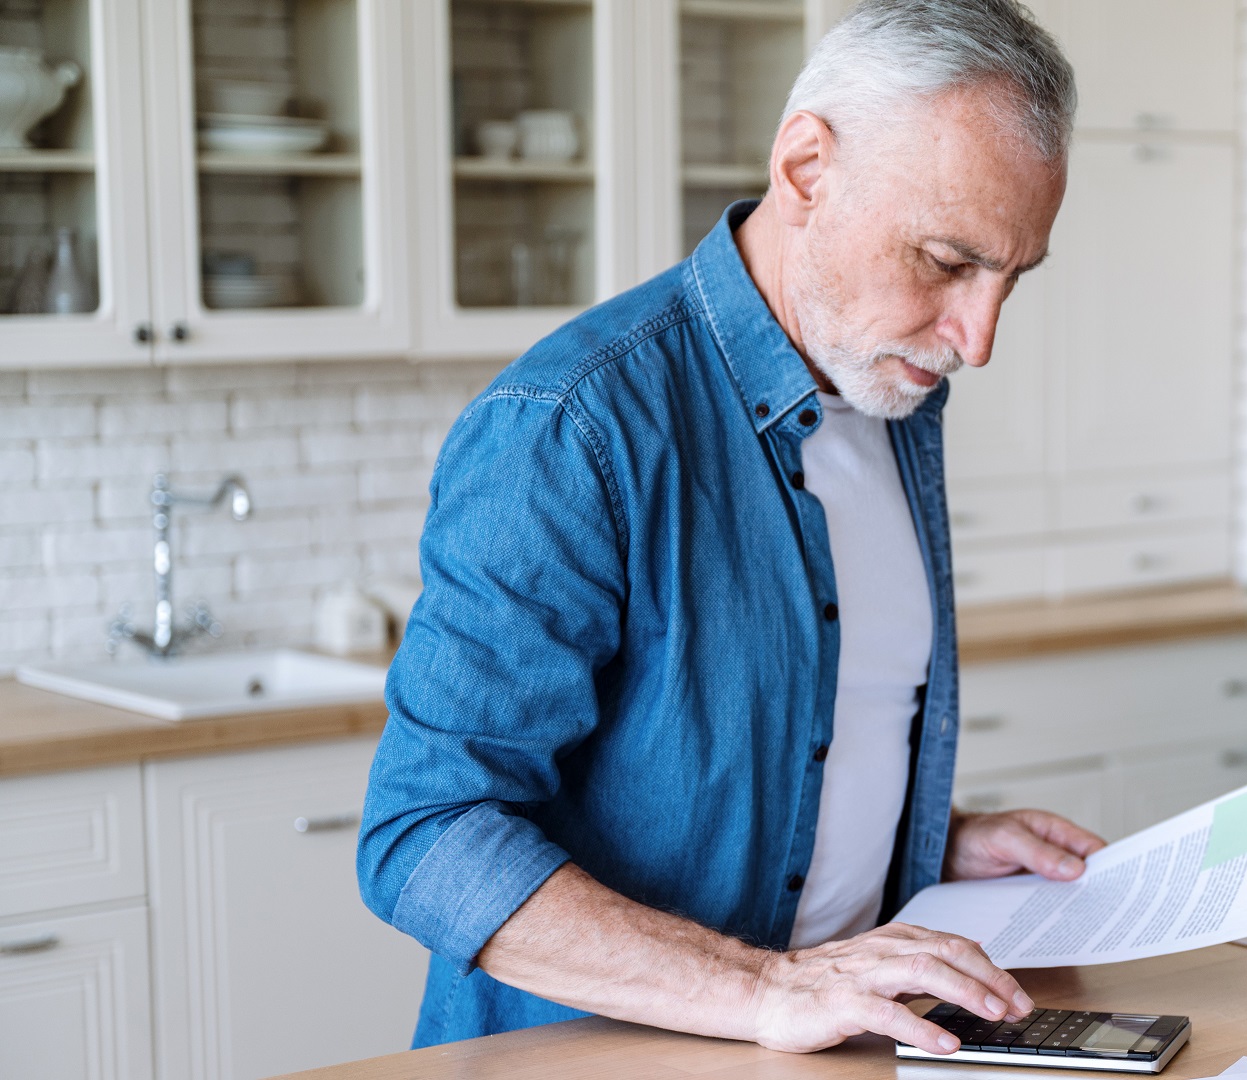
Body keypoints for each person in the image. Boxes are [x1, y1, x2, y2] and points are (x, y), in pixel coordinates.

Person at [356, 0, 1099, 1057]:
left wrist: (925, 841)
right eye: (945, 261)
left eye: (1008, 279)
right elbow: (425, 837)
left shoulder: (891, 394)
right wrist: (765, 991)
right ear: (806, 170)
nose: (977, 340)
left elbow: (783, 742)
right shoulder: (570, 428)